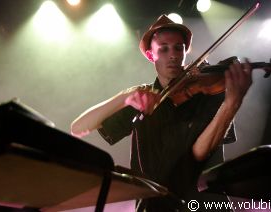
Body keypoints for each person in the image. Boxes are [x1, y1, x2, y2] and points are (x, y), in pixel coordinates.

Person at [71, 15, 252, 211]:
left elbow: (199, 154)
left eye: (178, 47)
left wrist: (232, 103)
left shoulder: (209, 91)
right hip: (153, 206)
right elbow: (79, 127)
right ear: (151, 55)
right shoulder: (142, 98)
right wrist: (125, 96)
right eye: (163, 48)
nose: (173, 54)